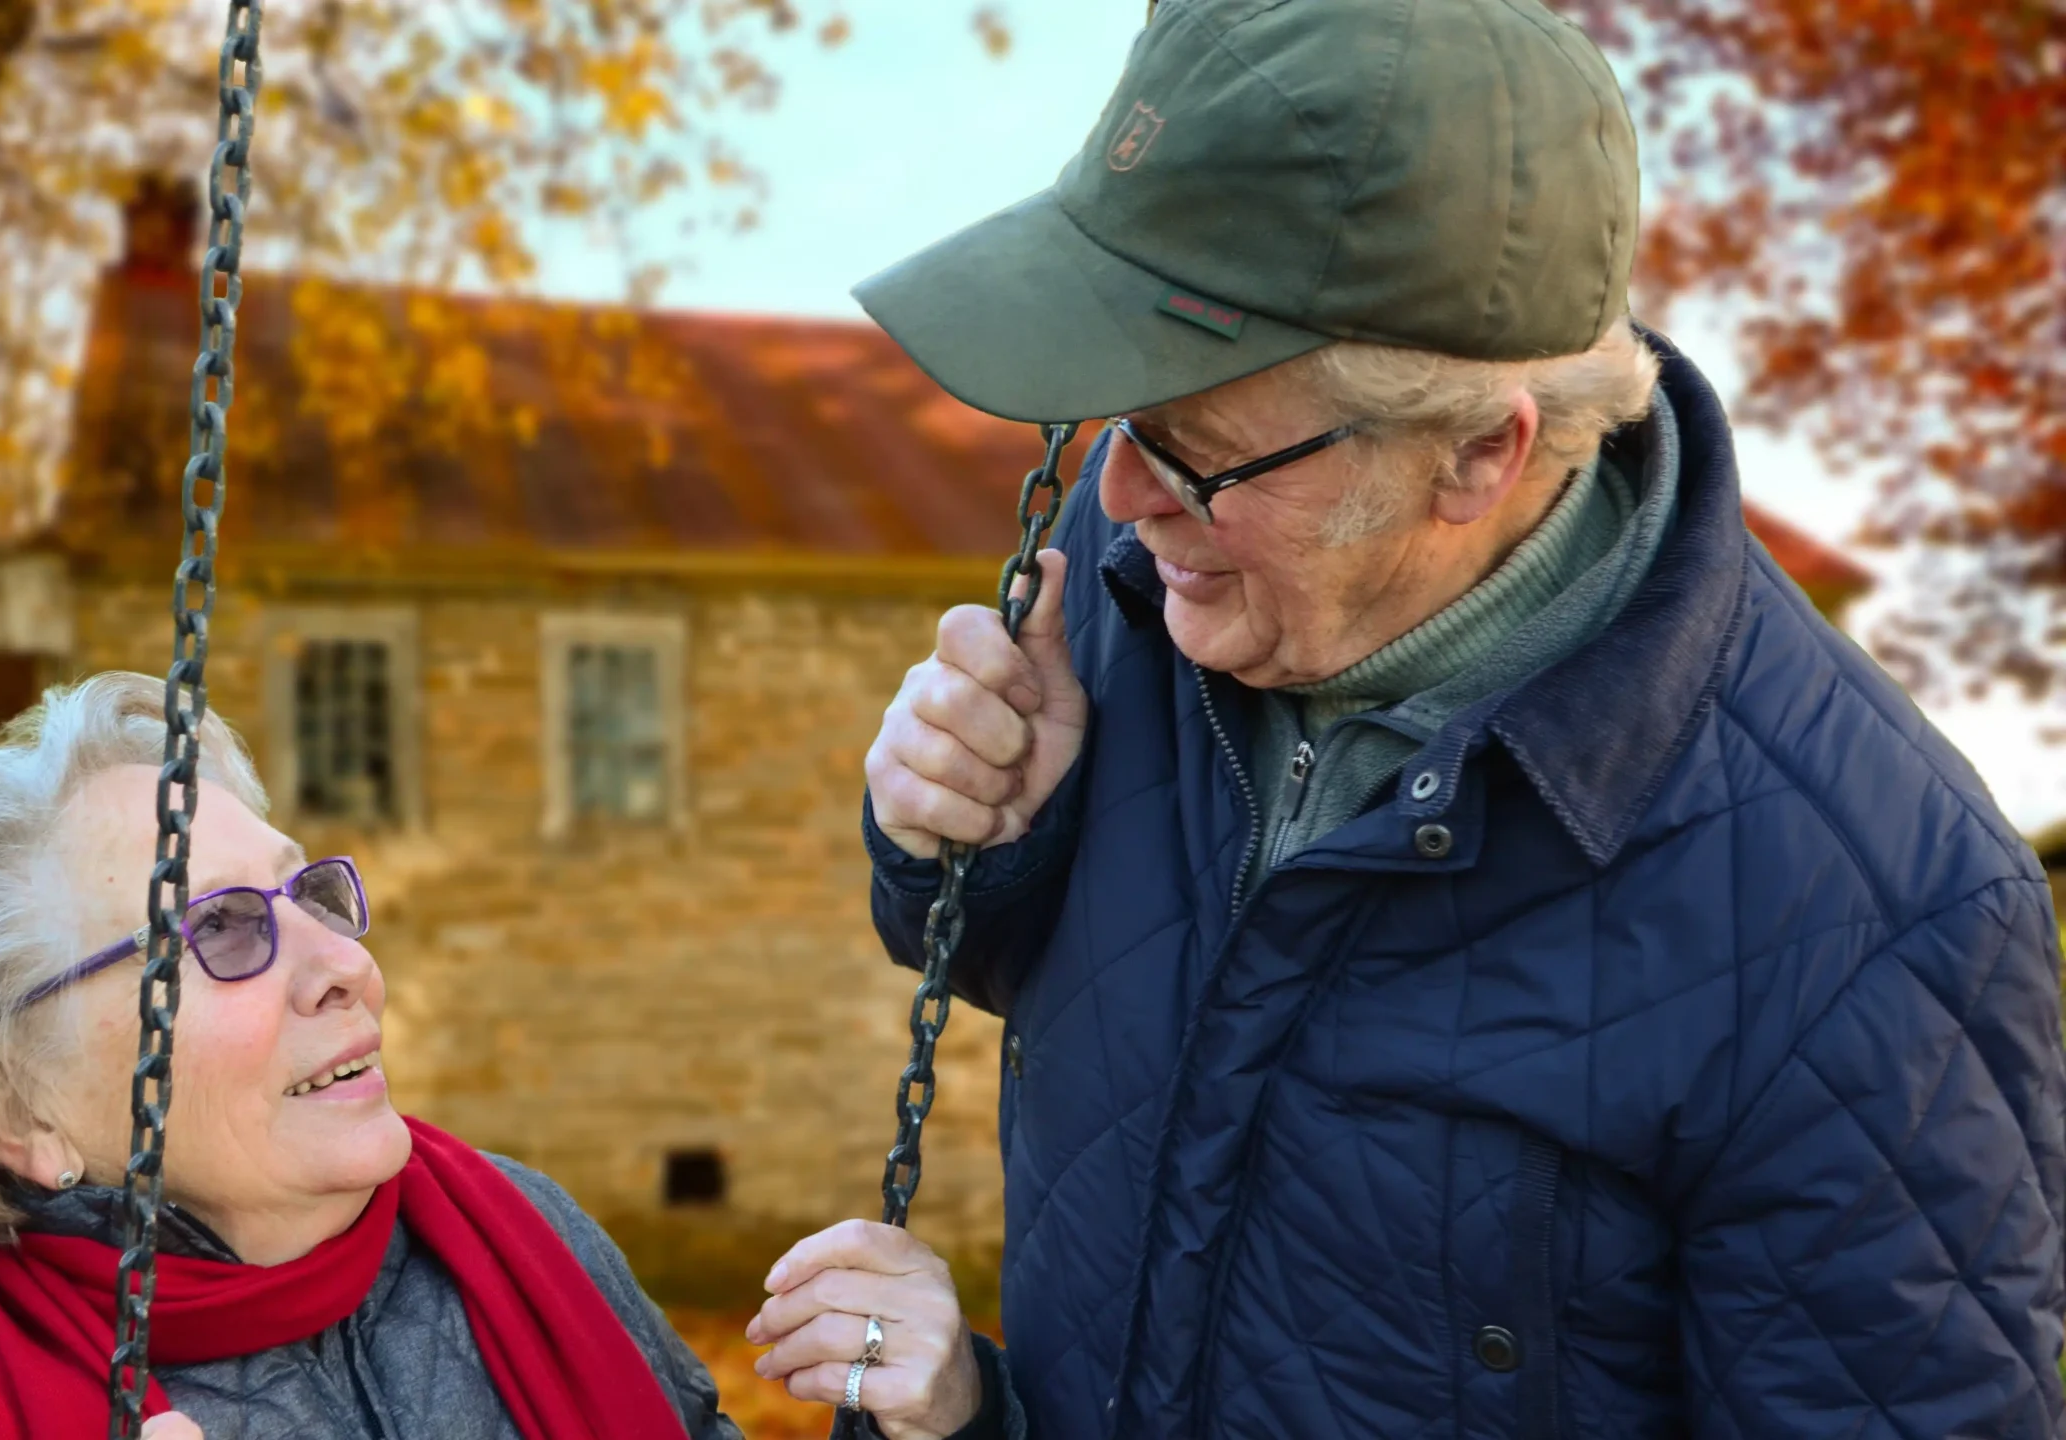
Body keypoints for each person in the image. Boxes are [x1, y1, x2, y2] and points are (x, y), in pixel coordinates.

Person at [853, 0, 2066, 1435]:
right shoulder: (1148, 615)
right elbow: (1088, 1021)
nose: (1123, 500)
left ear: (1481, 453)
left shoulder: (1876, 914)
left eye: (1199, 451)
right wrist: (972, 845)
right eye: (1119, 415)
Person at [0, 672, 1013, 1440]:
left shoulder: (523, 1242)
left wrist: (949, 1423)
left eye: (312, 896)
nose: (344, 964)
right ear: (20, 1109)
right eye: (224, 931)